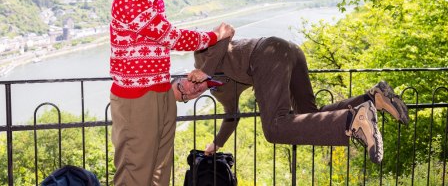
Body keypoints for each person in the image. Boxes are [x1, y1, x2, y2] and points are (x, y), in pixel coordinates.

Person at [109, 0, 235, 185]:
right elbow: (170, 37)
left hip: (162, 93)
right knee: (135, 171)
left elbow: (157, 44)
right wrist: (215, 36)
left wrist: (172, 88)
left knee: (160, 169)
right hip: (136, 99)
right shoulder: (128, 0)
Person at [171, 37, 409, 164]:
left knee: (275, 128)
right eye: (185, 97)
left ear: (183, 76)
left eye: (181, 86)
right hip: (288, 52)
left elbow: (225, 34)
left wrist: (205, 69)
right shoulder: (219, 92)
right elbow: (231, 116)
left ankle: (352, 121)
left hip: (268, 52)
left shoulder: (201, 56)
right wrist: (217, 144)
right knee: (310, 114)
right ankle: (373, 97)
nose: (189, 90)